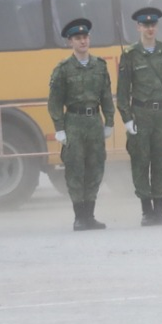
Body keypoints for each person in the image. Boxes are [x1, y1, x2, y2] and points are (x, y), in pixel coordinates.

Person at [118, 6, 162, 225]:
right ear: (138, 27)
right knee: (140, 161)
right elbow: (122, 90)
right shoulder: (130, 55)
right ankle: (147, 211)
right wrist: (127, 118)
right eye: (146, 25)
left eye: (153, 25)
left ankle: (160, 209)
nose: (150, 29)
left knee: (161, 161)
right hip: (140, 114)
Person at [47, 18, 114, 231]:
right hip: (74, 122)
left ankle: (90, 216)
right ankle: (79, 217)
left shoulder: (100, 66)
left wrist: (109, 121)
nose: (82, 41)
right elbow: (55, 102)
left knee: (95, 167)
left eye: (85, 37)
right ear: (70, 42)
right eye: (78, 38)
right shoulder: (63, 69)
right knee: (75, 169)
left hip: (94, 121)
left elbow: (106, 97)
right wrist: (59, 128)